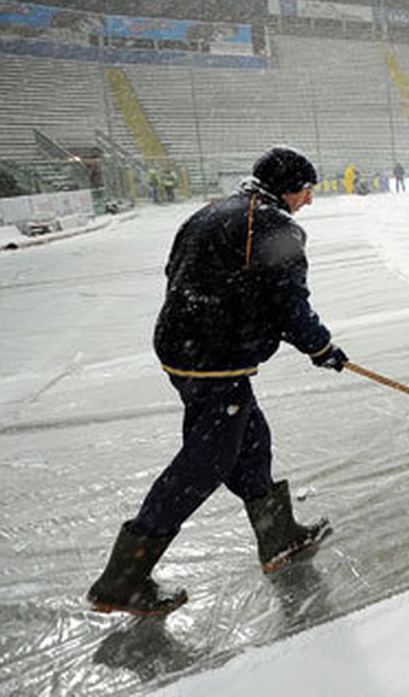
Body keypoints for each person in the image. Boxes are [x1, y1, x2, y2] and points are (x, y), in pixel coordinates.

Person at [87, 146, 347, 617]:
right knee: (205, 462)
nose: (309, 200)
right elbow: (288, 303)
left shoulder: (212, 211)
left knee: (250, 439)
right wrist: (321, 348)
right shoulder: (275, 226)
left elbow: (177, 274)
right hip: (215, 357)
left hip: (181, 347)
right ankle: (121, 581)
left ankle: (278, 537)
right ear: (289, 187)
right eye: (307, 190)